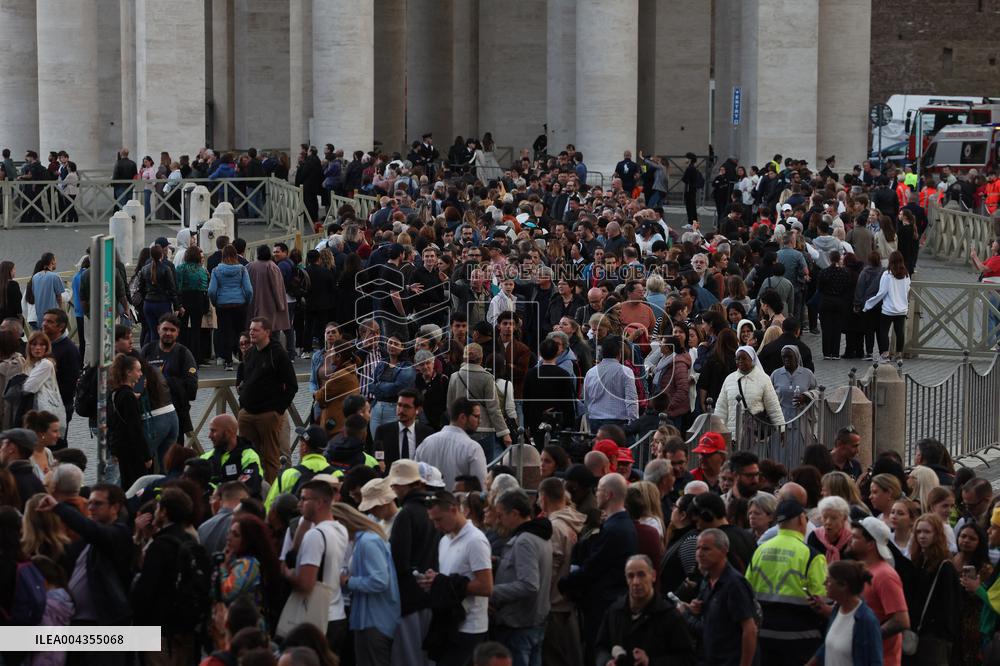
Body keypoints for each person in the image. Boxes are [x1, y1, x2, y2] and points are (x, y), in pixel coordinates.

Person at [558, 473, 638, 663]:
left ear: (608, 494)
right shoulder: (619, 525)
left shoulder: (615, 529)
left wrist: (564, 584)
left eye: (599, 490)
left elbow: (594, 566)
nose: (596, 494)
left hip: (604, 605)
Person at [746, 499, 828, 666]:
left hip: (763, 636)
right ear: (800, 519)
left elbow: (747, 589)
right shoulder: (812, 555)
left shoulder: (760, 550)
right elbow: (822, 599)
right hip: (800, 638)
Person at [131, 487, 205, 665]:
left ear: (164, 512)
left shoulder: (160, 546)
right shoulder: (190, 541)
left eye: (158, 508)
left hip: (160, 632)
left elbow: (145, 591)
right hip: (186, 631)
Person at [423, 489, 493, 666]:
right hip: (448, 624)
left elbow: (486, 587)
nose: (436, 526)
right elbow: (447, 579)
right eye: (432, 521)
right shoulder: (444, 540)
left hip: (470, 627)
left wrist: (444, 582)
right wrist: (435, 581)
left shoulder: (475, 541)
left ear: (454, 510)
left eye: (439, 519)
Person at [280, 479, 350, 651]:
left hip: (317, 618)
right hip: (337, 614)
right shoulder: (340, 529)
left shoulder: (315, 535)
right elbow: (296, 549)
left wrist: (286, 573)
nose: (299, 503)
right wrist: (305, 518)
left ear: (319, 503)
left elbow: (305, 584)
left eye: (304, 499)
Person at [489, 489, 553, 666]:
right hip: (534, 622)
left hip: (519, 624)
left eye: (501, 514)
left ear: (515, 513)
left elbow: (529, 584)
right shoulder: (539, 536)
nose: (499, 519)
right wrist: (500, 562)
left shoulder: (525, 540)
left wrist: (490, 592)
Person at [331, 503, 400, 666]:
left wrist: (348, 581)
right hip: (369, 618)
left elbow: (380, 581)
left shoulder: (368, 542)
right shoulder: (364, 540)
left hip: (374, 620)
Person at [595, 554, 696, 666]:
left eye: (641, 575)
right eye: (630, 576)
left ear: (653, 576)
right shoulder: (614, 611)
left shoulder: (669, 616)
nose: (636, 582)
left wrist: (650, 662)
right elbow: (601, 647)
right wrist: (606, 662)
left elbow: (687, 659)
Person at [386, 459, 440, 666]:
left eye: (396, 484)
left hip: (409, 598)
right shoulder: (434, 508)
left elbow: (398, 561)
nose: (392, 488)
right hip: (434, 592)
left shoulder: (406, 514)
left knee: (407, 657)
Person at [678, 528, 758, 666]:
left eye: (706, 549)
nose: (699, 553)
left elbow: (749, 630)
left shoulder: (734, 584)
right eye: (697, 548)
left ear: (724, 550)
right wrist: (693, 609)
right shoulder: (707, 581)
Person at [238, 317, 299, 483]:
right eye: (250, 329)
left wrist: (277, 410)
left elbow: (292, 385)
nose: (251, 332)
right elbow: (246, 379)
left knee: (271, 458)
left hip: (268, 414)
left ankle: (271, 492)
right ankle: (250, 488)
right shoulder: (250, 353)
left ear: (267, 332)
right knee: (247, 454)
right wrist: (243, 404)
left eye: (255, 330)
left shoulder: (278, 353)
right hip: (247, 413)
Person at [848, 515, 909, 666]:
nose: (850, 540)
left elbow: (901, 621)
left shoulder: (885, 575)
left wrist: (868, 637)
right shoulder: (863, 570)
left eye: (855, 537)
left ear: (870, 544)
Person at [213, 513, 283, 635]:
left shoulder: (248, 564)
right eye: (229, 532)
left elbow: (227, 592)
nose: (229, 538)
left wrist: (223, 568)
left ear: (247, 541)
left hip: (247, 631)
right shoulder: (235, 560)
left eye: (235, 535)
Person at [904, 513, 960, 664]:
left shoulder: (944, 566)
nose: (922, 536)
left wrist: (939, 631)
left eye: (927, 532)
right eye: (919, 532)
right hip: (917, 631)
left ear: (937, 534)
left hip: (935, 636)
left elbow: (949, 604)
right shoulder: (918, 561)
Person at [805, 560, 884, 666]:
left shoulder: (866, 620)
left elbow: (875, 661)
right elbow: (827, 647)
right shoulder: (837, 610)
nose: (824, 584)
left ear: (843, 585)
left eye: (828, 581)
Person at [142, 314, 198, 444]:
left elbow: (192, 389)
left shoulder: (184, 354)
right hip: (150, 414)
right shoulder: (147, 350)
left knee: (173, 458)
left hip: (175, 415)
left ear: (178, 333)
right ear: (158, 329)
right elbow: (137, 379)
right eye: (165, 329)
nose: (168, 333)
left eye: (172, 330)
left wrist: (164, 382)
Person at [415, 397, 488, 491]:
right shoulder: (473, 448)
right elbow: (481, 488)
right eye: (476, 416)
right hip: (458, 504)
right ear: (462, 417)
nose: (479, 421)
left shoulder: (426, 443)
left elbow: (415, 479)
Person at [714, 345, 785, 434]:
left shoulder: (764, 379)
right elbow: (721, 407)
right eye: (737, 358)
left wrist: (781, 429)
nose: (740, 361)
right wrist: (716, 429)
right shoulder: (729, 379)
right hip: (732, 434)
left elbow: (773, 407)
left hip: (755, 435)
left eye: (744, 358)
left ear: (752, 359)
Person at [107, 353, 152, 489]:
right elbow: (135, 428)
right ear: (128, 372)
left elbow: (114, 423)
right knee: (136, 486)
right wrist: (146, 456)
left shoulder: (116, 393)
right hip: (132, 450)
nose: (140, 374)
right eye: (138, 370)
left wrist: (113, 449)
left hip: (121, 447)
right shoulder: (128, 397)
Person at [208, 244, 254, 370]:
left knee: (225, 332)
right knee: (241, 332)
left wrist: (215, 302)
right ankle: (243, 359)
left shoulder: (216, 270)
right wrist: (247, 301)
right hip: (240, 304)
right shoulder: (242, 269)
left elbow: (211, 290)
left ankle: (228, 361)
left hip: (223, 305)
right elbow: (249, 289)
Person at [200, 414, 264, 498]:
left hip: (240, 506)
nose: (209, 436)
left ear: (228, 433)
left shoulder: (248, 455)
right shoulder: (207, 457)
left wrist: (215, 487)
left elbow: (249, 487)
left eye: (213, 431)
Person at [863, 250, 910, 360]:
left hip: (888, 309)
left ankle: (885, 353)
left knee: (884, 331)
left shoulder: (887, 274)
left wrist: (868, 305)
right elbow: (907, 290)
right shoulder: (906, 274)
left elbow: (882, 293)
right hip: (902, 309)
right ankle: (899, 354)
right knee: (900, 332)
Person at [373, 387, 434, 467]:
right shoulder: (383, 431)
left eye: (407, 407)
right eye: (399, 405)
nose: (401, 410)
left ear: (418, 410)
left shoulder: (427, 434)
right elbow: (378, 458)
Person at [22, 331, 64, 436]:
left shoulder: (46, 364)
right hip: (32, 410)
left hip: (43, 410)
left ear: (46, 347)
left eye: (42, 345)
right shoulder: (28, 364)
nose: (38, 348)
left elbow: (28, 388)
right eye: (34, 344)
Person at [138, 245, 179, 340]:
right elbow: (172, 289)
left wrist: (146, 298)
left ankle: (153, 353)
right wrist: (176, 305)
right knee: (165, 332)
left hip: (148, 303)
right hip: (162, 303)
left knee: (153, 331)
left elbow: (141, 288)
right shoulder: (166, 269)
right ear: (162, 255)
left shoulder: (145, 269)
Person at [199, 481, 250, 555]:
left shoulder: (203, 528)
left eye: (213, 498)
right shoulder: (246, 526)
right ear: (244, 500)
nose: (211, 502)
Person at [0, 428, 44, 511]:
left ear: (12, 448)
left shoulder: (6, 481)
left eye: (4, 444)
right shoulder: (36, 482)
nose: (1, 449)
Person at [808, 496, 853, 562]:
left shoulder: (851, 539)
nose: (828, 522)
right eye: (825, 517)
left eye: (834, 518)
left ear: (844, 518)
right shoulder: (814, 536)